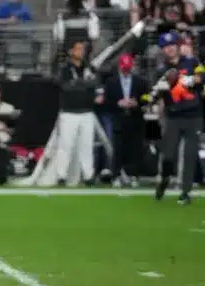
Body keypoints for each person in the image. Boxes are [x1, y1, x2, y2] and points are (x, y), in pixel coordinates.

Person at [152, 44, 203, 205]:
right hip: (173, 117)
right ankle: (165, 179)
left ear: (177, 46)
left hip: (193, 116)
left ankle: (185, 192)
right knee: (168, 155)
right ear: (163, 50)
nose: (170, 49)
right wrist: (158, 92)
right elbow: (154, 94)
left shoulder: (191, 62)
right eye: (166, 47)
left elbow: (202, 76)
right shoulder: (161, 70)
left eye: (172, 45)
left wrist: (194, 79)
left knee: (189, 156)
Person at [53, 41, 104, 186]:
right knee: (66, 145)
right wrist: (84, 85)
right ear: (71, 51)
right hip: (69, 112)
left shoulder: (89, 68)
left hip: (87, 111)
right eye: (78, 49)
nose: (81, 52)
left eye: (83, 49)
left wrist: (80, 85)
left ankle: (88, 175)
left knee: (87, 145)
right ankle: (61, 175)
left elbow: (96, 84)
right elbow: (64, 86)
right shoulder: (65, 69)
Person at [103, 54, 148, 187]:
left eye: (128, 68)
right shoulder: (111, 82)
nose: (126, 71)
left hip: (135, 118)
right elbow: (107, 102)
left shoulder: (140, 82)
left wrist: (137, 103)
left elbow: (146, 99)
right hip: (119, 118)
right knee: (118, 148)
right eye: (124, 68)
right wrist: (119, 103)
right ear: (119, 67)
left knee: (135, 148)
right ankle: (116, 175)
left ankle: (133, 175)